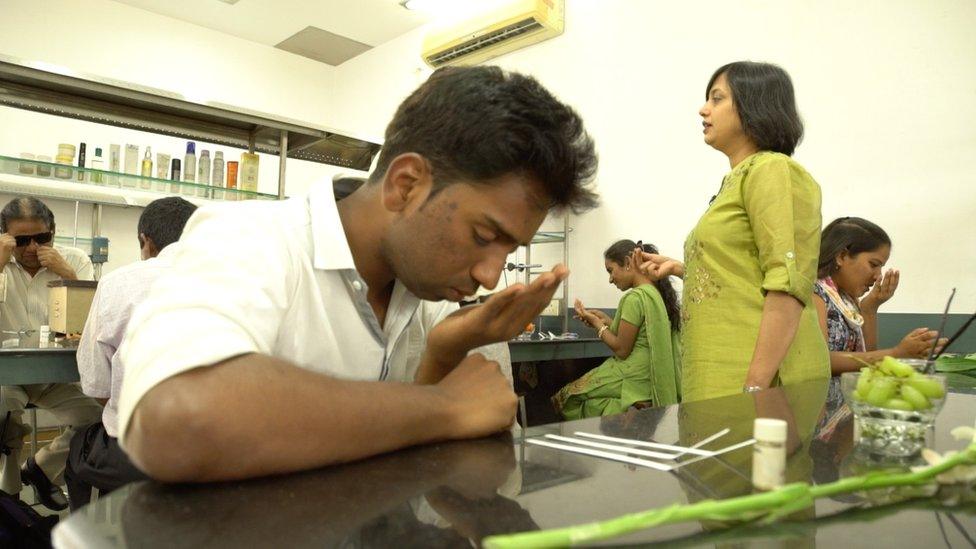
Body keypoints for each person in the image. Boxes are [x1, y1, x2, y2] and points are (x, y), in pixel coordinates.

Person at [116, 65, 599, 482]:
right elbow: (179, 419)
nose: (491, 275)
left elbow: (419, 462)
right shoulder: (249, 238)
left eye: (510, 248)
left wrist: (444, 352)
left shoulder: (432, 294)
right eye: (482, 235)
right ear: (406, 185)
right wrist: (446, 406)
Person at [636, 61, 829, 402]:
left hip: (754, 379)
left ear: (754, 105)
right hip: (723, 372)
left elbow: (787, 284)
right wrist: (683, 268)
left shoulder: (773, 169)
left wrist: (755, 388)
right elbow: (743, 269)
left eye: (717, 98)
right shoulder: (737, 179)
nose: (703, 109)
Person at [63, 197, 197, 510]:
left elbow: (97, 386)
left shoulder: (117, 283)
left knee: (80, 447)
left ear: (145, 241)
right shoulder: (239, 281)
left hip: (137, 452)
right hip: (219, 453)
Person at [0, 197, 102, 510]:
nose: (32, 248)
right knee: (3, 416)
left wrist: (68, 274)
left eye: (42, 238)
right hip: (6, 376)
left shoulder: (75, 259)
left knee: (99, 420)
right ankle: (10, 501)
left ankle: (42, 469)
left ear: (53, 233)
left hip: (56, 375)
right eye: (21, 241)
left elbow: (99, 317)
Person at [813, 216, 944, 409]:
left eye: (881, 267)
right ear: (841, 256)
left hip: (845, 405)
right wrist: (896, 353)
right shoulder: (815, 294)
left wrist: (870, 308)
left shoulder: (846, 299)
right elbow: (821, 361)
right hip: (819, 408)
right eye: (873, 264)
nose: (877, 277)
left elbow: (867, 355)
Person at [553, 240, 681, 418]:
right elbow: (640, 335)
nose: (610, 279)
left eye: (610, 270)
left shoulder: (634, 298)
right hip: (648, 375)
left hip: (633, 378)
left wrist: (598, 325)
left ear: (628, 263)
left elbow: (622, 349)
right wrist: (605, 321)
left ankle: (626, 409)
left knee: (568, 396)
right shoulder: (653, 293)